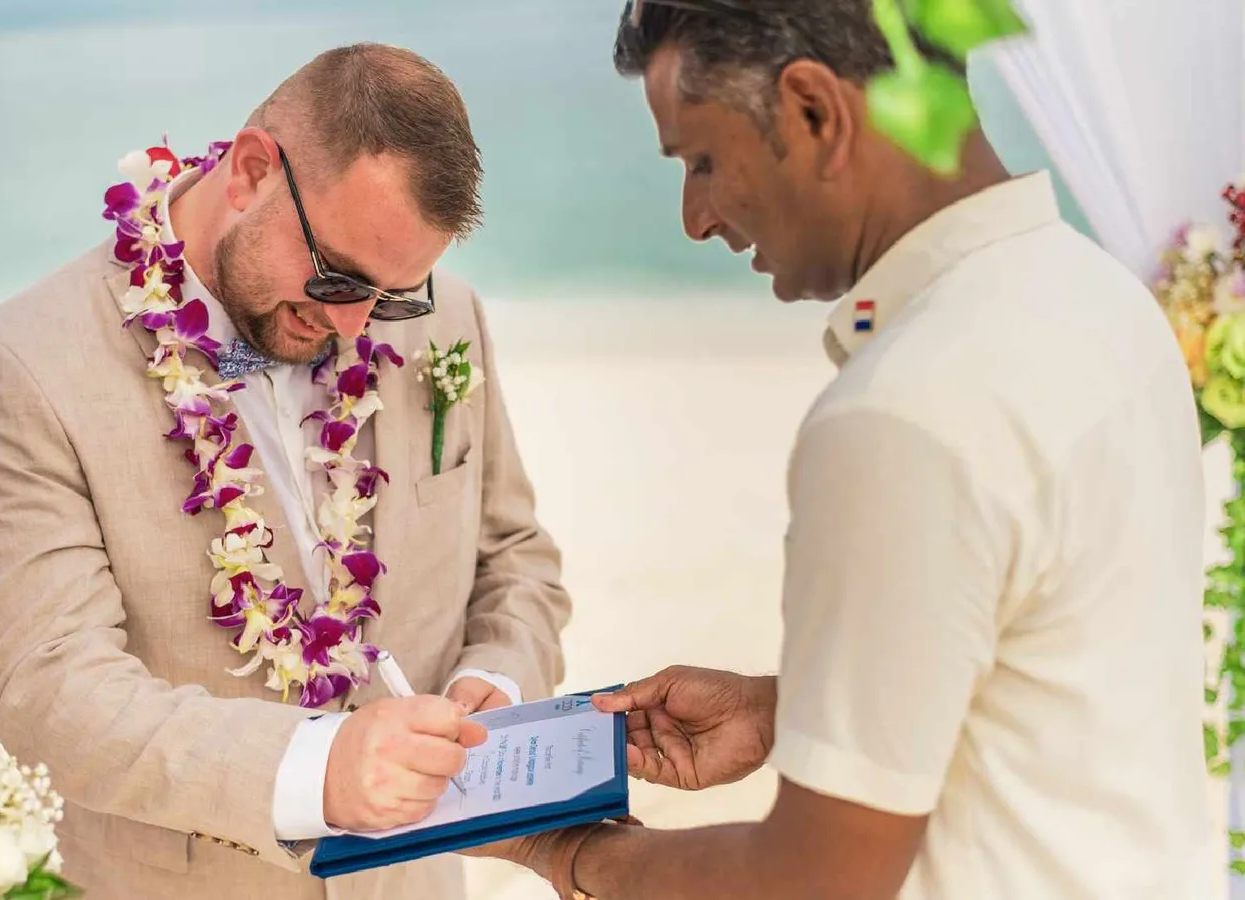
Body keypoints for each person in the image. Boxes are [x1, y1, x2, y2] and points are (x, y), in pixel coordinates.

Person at [469, 2, 1209, 898]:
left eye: (701, 161)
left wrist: (570, 855)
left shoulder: (902, 414)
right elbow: (1066, 667)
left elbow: (814, 882)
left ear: (816, 111)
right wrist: (795, 709)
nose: (694, 218)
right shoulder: (1103, 299)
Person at [0, 43, 572, 898]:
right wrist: (320, 769)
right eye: (338, 276)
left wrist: (497, 677)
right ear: (248, 171)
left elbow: (516, 555)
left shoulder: (446, 318)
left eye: (393, 296)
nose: (356, 326)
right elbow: (51, 691)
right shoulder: (22, 366)